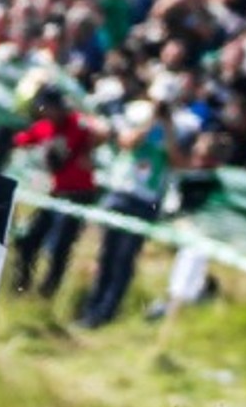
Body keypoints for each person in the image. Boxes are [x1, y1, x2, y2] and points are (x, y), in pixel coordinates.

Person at [76, 100, 186, 328]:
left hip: (146, 202)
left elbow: (177, 161)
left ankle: (106, 312)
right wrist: (150, 122)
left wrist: (167, 127)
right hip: (122, 194)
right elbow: (128, 142)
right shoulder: (138, 117)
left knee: (123, 259)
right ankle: (91, 307)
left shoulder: (172, 132)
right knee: (106, 254)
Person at [11, 86, 99, 298]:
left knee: (60, 246)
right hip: (55, 193)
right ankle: (21, 285)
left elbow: (99, 132)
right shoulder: (45, 127)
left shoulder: (78, 124)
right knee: (28, 240)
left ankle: (47, 293)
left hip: (78, 194)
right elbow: (22, 139)